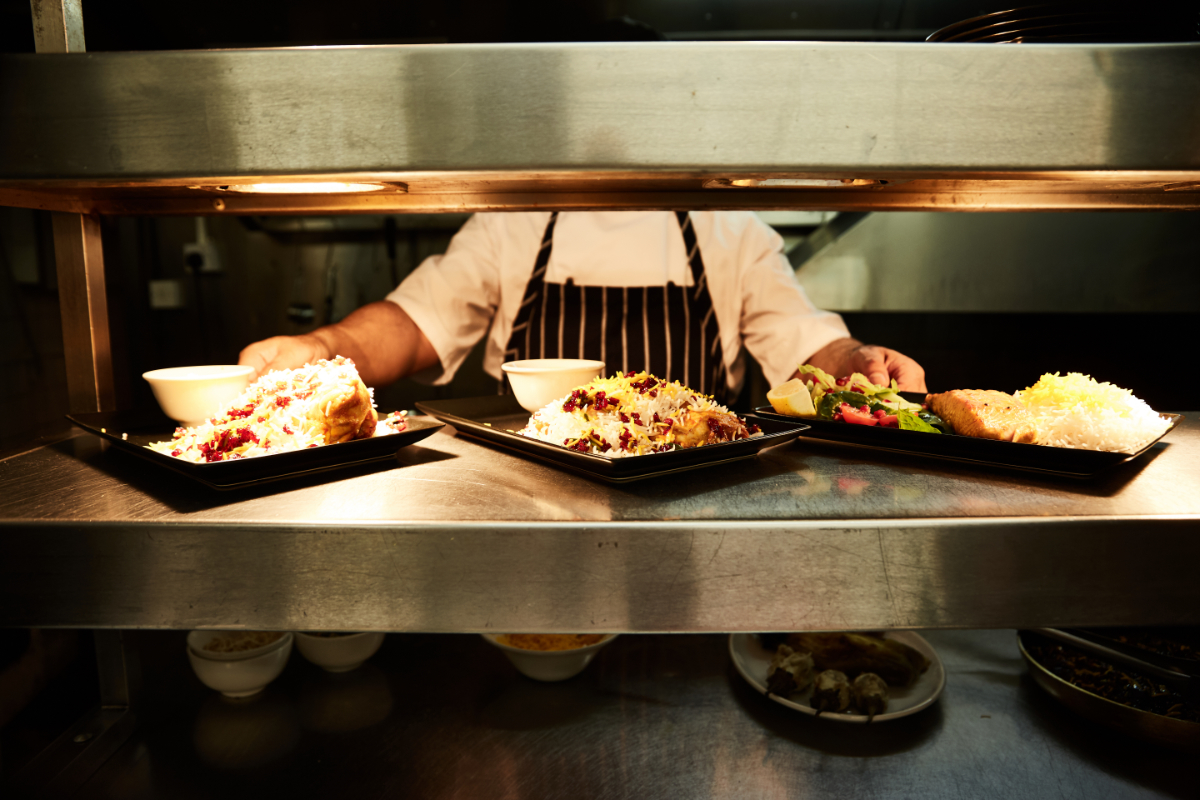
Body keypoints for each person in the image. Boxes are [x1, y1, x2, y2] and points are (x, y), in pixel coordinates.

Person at [238, 210, 926, 401]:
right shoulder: (513, 222)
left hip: (690, 508)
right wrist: (322, 350)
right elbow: (411, 323)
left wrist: (857, 362)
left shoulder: (728, 228)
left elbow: (806, 341)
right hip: (530, 510)